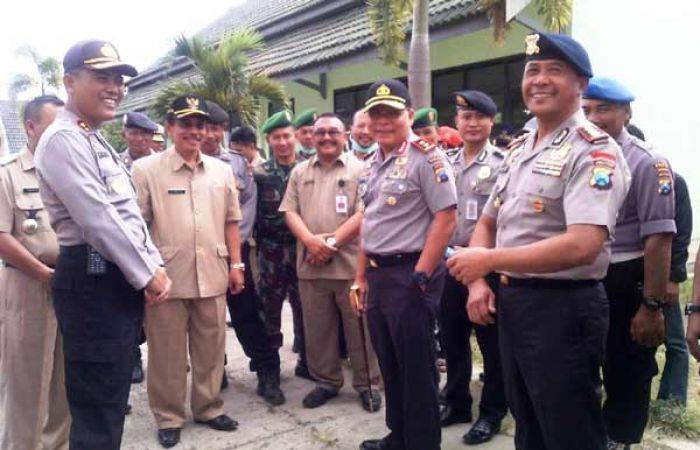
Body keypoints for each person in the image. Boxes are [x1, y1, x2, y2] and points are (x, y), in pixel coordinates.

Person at [447, 33, 630, 450]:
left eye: (554, 71)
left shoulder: (594, 151)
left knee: (569, 430)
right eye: (533, 71)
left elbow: (583, 244)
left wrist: (487, 261)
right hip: (514, 304)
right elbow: (488, 219)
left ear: (581, 84)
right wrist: (479, 281)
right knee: (528, 424)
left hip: (563, 310)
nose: (540, 80)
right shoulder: (518, 148)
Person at [34, 40, 171, 450]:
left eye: (119, 79)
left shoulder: (90, 137)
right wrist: (148, 273)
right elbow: (99, 219)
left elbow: (127, 216)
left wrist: (150, 264)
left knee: (110, 401)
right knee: (97, 409)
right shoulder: (63, 139)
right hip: (92, 277)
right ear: (69, 81)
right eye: (102, 77)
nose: (115, 87)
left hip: (109, 276)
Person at [131, 95, 244, 448]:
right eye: (186, 124)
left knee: (211, 348)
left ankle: (209, 408)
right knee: (167, 354)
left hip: (212, 271)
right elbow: (136, 226)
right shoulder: (146, 170)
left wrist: (236, 265)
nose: (194, 132)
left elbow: (231, 221)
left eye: (200, 125)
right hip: (166, 278)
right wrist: (147, 274)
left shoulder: (221, 170)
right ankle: (168, 415)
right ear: (169, 128)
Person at [354, 79, 458, 450]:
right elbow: (370, 222)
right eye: (376, 114)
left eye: (392, 114)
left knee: (417, 368)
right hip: (379, 276)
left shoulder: (428, 158)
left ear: (409, 115)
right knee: (390, 363)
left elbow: (445, 217)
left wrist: (421, 275)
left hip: (411, 274)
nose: (382, 122)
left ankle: (422, 443)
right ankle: (399, 435)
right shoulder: (371, 163)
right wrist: (360, 276)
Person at [582, 76, 677, 448]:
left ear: (626, 112)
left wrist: (651, 305)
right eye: (586, 110)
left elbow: (659, 239)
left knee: (627, 371)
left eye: (603, 109)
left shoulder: (648, 163)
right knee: (584, 366)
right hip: (584, 277)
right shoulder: (580, 154)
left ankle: (619, 440)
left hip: (626, 277)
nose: (593, 119)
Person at [280, 112, 382, 411]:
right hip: (311, 265)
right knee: (317, 331)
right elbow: (290, 212)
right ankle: (326, 381)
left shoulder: (363, 169)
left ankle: (368, 385)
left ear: (345, 135)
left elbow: (365, 214)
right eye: (320, 132)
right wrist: (312, 243)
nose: (326, 137)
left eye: (333, 132)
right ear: (312, 136)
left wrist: (331, 243)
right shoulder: (300, 172)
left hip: (351, 267)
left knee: (360, 331)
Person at [201, 101, 285, 406]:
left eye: (216, 128)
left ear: (224, 131)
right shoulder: (178, 162)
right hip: (198, 256)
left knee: (248, 315)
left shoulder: (237, 165)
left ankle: (267, 372)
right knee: (205, 320)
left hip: (236, 253)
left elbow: (244, 214)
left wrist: (233, 254)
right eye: (204, 127)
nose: (209, 134)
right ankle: (213, 372)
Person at [0, 95, 70, 450]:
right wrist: (44, 273)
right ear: (30, 127)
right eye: (52, 125)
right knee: (27, 381)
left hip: (70, 286)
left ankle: (56, 445)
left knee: (65, 381)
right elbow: (0, 236)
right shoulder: (8, 174)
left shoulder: (69, 170)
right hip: (28, 285)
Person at [439, 90, 507, 446]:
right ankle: (457, 402)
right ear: (457, 122)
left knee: (492, 344)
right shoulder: (445, 162)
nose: (472, 123)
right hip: (451, 263)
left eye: (479, 116)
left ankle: (492, 412)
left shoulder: (503, 163)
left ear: (490, 122)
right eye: (465, 117)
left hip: (487, 265)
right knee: (452, 338)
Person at [254, 110, 309, 378]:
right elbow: (252, 218)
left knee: (306, 309)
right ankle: (269, 372)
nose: (283, 142)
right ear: (269, 140)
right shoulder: (260, 174)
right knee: (269, 312)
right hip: (271, 255)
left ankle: (308, 363)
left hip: (303, 252)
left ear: (295, 137)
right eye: (277, 137)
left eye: (287, 136)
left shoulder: (309, 168)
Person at [658, 172, 691, 405]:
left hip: (664, 274)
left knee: (676, 344)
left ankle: (673, 402)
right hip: (628, 275)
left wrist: (674, 278)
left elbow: (682, 234)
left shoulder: (673, 182)